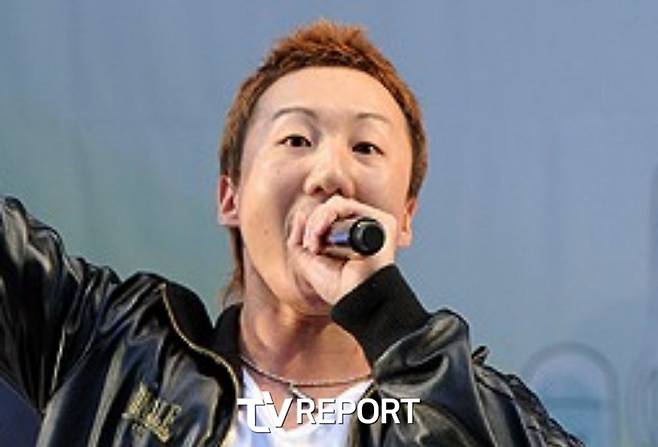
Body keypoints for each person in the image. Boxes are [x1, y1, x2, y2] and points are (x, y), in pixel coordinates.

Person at [0, 20, 583, 446]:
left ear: (405, 217)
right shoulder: (110, 348)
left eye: (366, 147)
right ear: (230, 197)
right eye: (296, 139)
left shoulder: (469, 405)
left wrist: (385, 316)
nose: (330, 174)